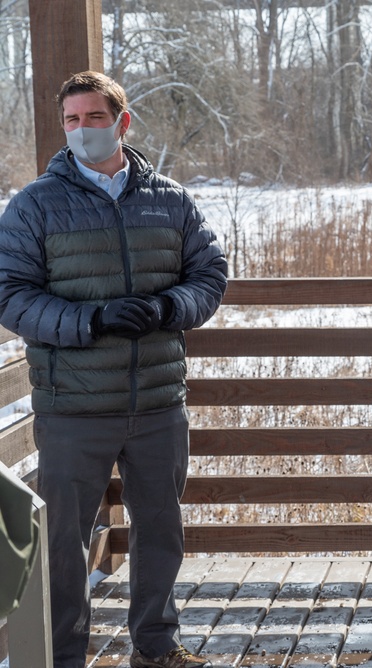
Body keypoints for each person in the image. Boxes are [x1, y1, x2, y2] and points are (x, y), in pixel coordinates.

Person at [0, 71, 227, 668]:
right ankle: (63, 656)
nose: (82, 131)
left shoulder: (170, 199)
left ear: (122, 122)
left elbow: (209, 274)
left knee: (160, 532)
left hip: (156, 401)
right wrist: (92, 320)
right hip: (73, 407)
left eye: (94, 118)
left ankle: (155, 645)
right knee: (64, 547)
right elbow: (10, 295)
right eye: (71, 121)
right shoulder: (34, 205)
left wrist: (167, 307)